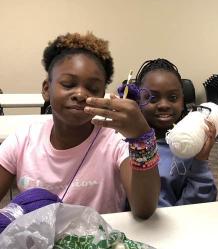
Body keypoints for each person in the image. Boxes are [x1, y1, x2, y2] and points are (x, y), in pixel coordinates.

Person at [0, 32, 160, 219]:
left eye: (92, 88)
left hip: (101, 245)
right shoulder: (23, 140)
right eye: (68, 84)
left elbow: (144, 209)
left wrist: (142, 137)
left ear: (102, 93)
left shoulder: (115, 141)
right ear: (46, 89)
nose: (80, 94)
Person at [135, 58, 217, 207]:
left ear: (182, 100)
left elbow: (202, 205)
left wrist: (200, 161)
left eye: (173, 97)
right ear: (138, 100)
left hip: (179, 226)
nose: (164, 105)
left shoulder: (188, 145)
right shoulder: (127, 145)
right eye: (153, 98)